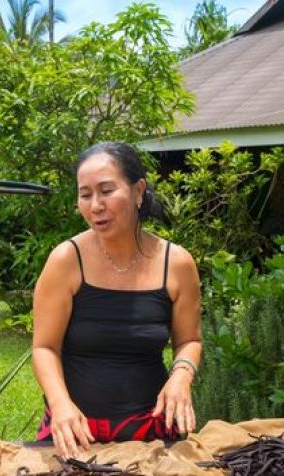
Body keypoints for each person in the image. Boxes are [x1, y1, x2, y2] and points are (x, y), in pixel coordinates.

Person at [32, 141, 202, 458]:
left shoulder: (176, 263)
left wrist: (181, 376)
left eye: (107, 191)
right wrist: (60, 405)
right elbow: (44, 347)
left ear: (138, 191)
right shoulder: (66, 260)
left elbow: (189, 339)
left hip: (151, 433)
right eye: (85, 195)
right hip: (75, 431)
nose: (95, 205)